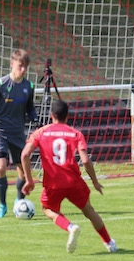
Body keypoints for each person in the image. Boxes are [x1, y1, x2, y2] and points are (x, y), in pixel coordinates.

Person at [21, 99, 117, 253]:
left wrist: (29, 180)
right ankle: (109, 243)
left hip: (52, 183)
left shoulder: (41, 132)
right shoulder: (75, 134)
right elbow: (85, 160)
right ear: (67, 116)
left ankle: (70, 226)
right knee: (89, 211)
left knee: (47, 208)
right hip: (74, 182)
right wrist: (95, 182)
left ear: (51, 115)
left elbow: (25, 154)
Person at [0, 48, 37, 218]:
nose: (23, 70)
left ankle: (19, 202)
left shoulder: (29, 86)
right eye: (20, 66)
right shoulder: (0, 84)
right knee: (1, 167)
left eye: (26, 66)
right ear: (12, 64)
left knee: (23, 172)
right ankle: (2, 205)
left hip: (18, 133)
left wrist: (35, 119)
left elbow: (30, 109)